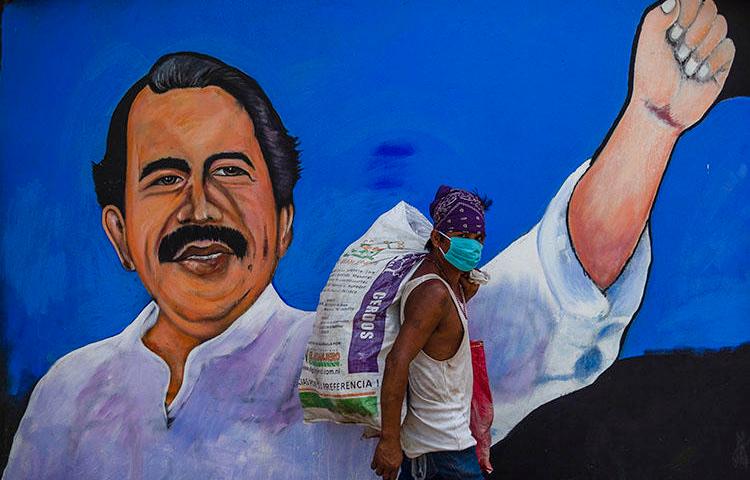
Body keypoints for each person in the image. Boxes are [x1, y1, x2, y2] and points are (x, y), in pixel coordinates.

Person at [3, 1, 735, 478]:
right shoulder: (65, 398)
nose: (200, 205)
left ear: (283, 222)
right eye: (165, 177)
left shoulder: (347, 358)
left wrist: (650, 123)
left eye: (230, 171)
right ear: (120, 232)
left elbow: (544, 304)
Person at [372, 187, 492, 480]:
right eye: (464, 238)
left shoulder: (447, 287)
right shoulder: (434, 293)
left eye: (478, 239)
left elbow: (438, 338)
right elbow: (397, 361)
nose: (473, 247)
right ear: (438, 239)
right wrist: (389, 440)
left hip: (442, 448)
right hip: (443, 452)